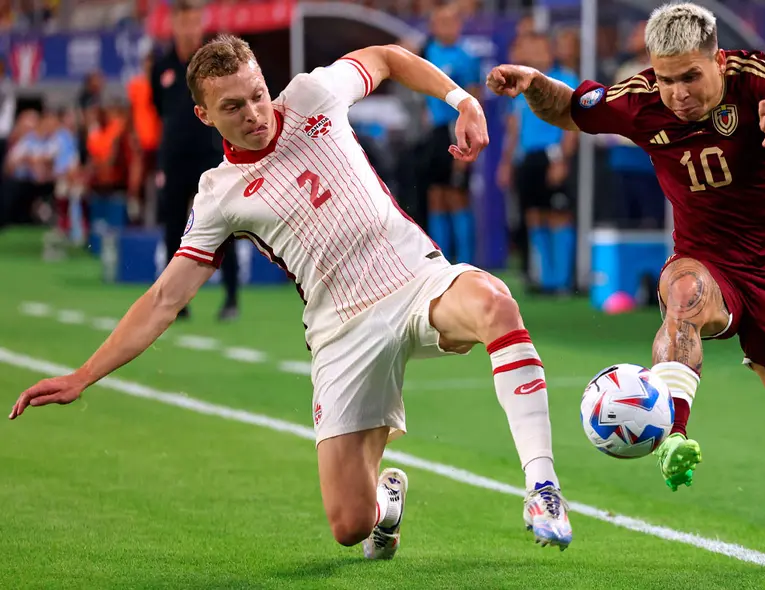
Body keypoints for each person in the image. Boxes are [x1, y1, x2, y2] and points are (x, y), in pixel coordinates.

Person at [9, 35, 572, 559]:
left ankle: (541, 486)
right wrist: (84, 375)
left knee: (496, 303)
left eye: (256, 94)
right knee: (349, 526)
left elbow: (387, 58)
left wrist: (461, 99)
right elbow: (163, 299)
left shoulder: (312, 94)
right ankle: (385, 504)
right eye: (233, 107)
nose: (254, 113)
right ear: (205, 114)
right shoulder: (219, 196)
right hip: (341, 332)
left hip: (413, 281)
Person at [487, 2, 765, 570]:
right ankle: (674, 431)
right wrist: (532, 82)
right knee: (681, 296)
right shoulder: (642, 98)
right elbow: (573, 106)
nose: (676, 92)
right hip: (707, 260)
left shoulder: (757, 82)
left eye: (690, 77)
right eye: (666, 77)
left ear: (717, 61)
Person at [151, 0, 239, 321]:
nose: (189, 29)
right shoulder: (162, 67)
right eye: (183, 22)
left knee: (223, 227)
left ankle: (231, 298)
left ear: (201, 24)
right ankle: (176, 303)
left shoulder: (214, 65)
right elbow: (160, 108)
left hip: (211, 156)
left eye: (194, 22)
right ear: (174, 24)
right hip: (175, 159)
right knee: (173, 229)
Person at [498, 32, 579, 294]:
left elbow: (573, 123)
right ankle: (543, 279)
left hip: (551, 155)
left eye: (540, 50)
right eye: (530, 50)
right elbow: (514, 127)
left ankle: (562, 281)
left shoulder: (565, 79)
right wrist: (507, 162)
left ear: (550, 52)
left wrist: (562, 160)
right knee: (533, 216)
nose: (535, 55)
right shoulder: (520, 85)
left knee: (558, 215)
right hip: (527, 158)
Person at [418, 2, 480, 264]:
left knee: (457, 195)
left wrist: (470, 133)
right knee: (436, 195)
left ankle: (465, 262)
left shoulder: (466, 57)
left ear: (458, 25)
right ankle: (440, 262)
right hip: (435, 133)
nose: (445, 27)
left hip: (456, 130)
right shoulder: (427, 51)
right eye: (439, 22)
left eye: (449, 22)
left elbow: (476, 96)